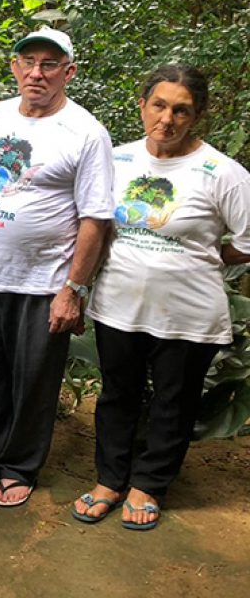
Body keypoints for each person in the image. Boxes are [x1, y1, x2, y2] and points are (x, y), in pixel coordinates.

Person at [72, 65, 250, 530]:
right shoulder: (117, 159)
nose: (167, 119)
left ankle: (148, 484)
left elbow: (249, 241)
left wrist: (211, 254)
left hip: (188, 314)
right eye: (159, 105)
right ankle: (110, 480)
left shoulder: (222, 173)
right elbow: (96, 224)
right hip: (117, 306)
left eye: (181, 110)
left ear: (197, 116)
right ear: (142, 105)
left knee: (175, 400)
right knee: (118, 395)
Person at [0, 27, 114, 507]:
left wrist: (74, 290)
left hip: (44, 283)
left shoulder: (86, 133)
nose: (36, 73)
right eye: (28, 62)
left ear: (69, 72)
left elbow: (95, 219)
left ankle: (19, 466)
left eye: (49, 64)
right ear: (15, 67)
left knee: (34, 382)